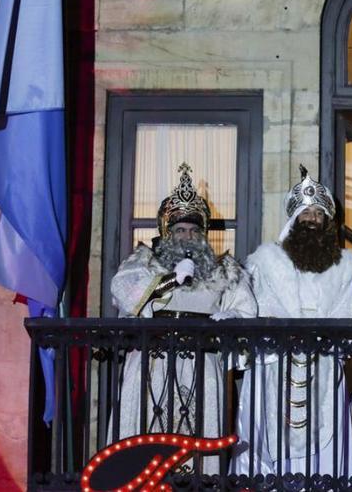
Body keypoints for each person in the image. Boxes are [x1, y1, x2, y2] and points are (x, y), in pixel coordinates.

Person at [110, 163, 257, 472]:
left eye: (194, 230)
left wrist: (231, 316)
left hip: (202, 365)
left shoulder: (224, 269)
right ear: (167, 233)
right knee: (148, 440)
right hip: (154, 362)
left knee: (198, 450)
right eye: (180, 230)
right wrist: (170, 280)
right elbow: (123, 291)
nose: (187, 237)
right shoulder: (145, 261)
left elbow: (246, 311)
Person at [232, 165, 352, 478]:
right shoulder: (265, 262)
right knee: (267, 444)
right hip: (273, 369)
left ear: (328, 222)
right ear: (293, 220)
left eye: (319, 214)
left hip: (326, 371)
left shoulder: (346, 267)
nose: (312, 220)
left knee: (327, 460)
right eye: (306, 214)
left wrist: (321, 341)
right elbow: (254, 309)